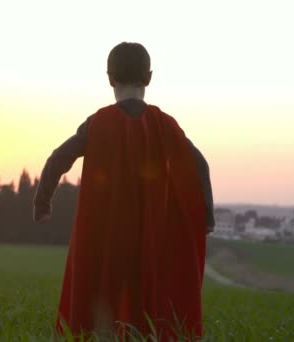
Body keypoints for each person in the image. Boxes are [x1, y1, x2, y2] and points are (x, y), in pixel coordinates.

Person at [33, 42, 214, 340]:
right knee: (148, 310)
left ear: (109, 77)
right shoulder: (165, 124)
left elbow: (57, 159)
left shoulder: (98, 122)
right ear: (150, 77)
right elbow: (200, 165)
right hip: (151, 236)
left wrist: (43, 202)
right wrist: (206, 216)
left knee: (99, 310)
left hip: (103, 237)